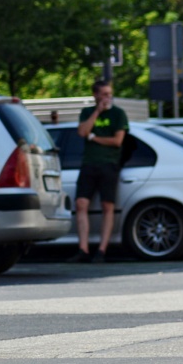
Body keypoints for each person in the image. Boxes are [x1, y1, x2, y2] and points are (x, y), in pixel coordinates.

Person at [70, 80, 128, 262]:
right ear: (95, 95)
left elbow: (117, 141)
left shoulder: (118, 114)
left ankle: (102, 250)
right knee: (81, 203)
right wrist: (97, 112)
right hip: (89, 164)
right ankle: (83, 249)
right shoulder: (87, 112)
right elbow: (82, 132)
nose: (107, 98)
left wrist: (94, 137)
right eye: (104, 94)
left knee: (107, 206)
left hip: (109, 165)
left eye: (109, 94)